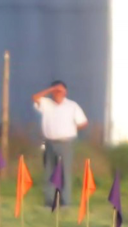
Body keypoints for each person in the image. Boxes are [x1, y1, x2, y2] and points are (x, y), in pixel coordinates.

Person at [32, 80, 88, 208]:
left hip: (66, 143)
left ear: (65, 92)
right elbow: (35, 97)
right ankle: (49, 201)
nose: (58, 93)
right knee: (48, 172)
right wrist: (50, 89)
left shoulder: (72, 106)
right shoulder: (46, 103)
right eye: (56, 90)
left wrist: (71, 129)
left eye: (61, 90)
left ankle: (65, 202)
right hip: (49, 142)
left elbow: (83, 122)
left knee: (65, 173)